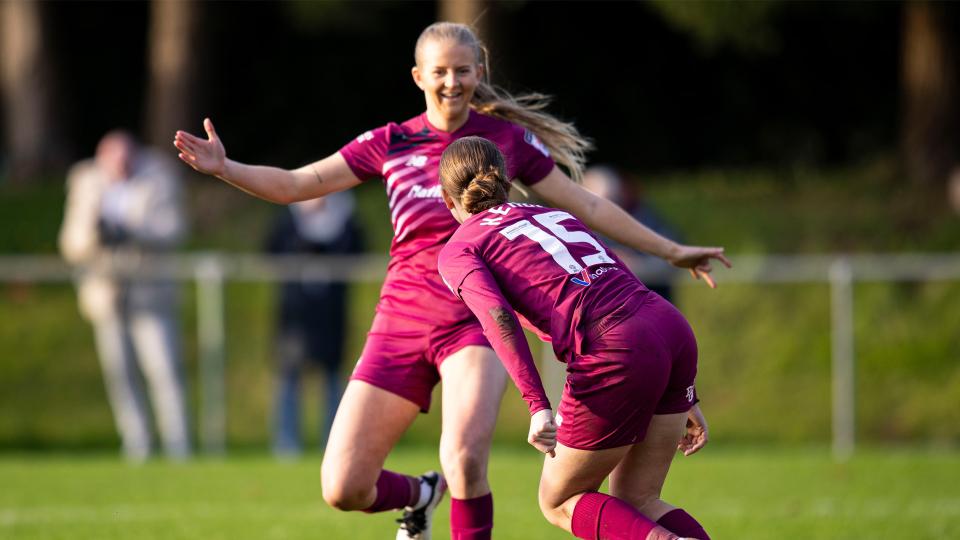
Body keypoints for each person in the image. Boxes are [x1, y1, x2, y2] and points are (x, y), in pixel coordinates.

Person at [173, 21, 728, 540]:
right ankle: (419, 496)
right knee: (342, 486)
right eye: (439, 71)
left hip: (478, 323)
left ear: (479, 72)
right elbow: (298, 184)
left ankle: (451, 493)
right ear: (418, 77)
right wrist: (226, 168)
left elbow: (584, 203)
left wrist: (672, 250)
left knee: (463, 458)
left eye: (462, 70)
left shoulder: (503, 144)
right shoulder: (393, 142)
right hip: (402, 320)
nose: (451, 81)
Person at [436, 137, 713, 540]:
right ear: (508, 183)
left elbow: (498, 318)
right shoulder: (547, 213)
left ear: (447, 200)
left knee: (559, 500)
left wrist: (537, 405)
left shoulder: (460, 247)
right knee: (639, 501)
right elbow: (619, 274)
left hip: (615, 346)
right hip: (666, 325)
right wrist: (684, 390)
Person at [59, 130, 191, 462]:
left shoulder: (158, 176)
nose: (119, 165)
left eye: (125, 159)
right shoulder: (86, 181)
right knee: (120, 372)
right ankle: (137, 442)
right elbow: (71, 243)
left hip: (150, 293)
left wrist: (132, 231)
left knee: (163, 369)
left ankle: (178, 444)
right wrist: (96, 234)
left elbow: (174, 228)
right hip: (106, 292)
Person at [265, 191, 363, 457]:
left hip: (331, 315)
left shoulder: (345, 221)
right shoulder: (288, 220)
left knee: (332, 380)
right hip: (294, 316)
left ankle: (333, 443)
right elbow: (271, 252)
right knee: (288, 378)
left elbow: (357, 253)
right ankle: (286, 445)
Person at [582, 166, 681, 303]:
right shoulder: (574, 227)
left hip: (653, 304)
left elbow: (671, 263)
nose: (598, 211)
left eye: (608, 201)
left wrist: (636, 265)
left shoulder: (646, 219)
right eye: (591, 204)